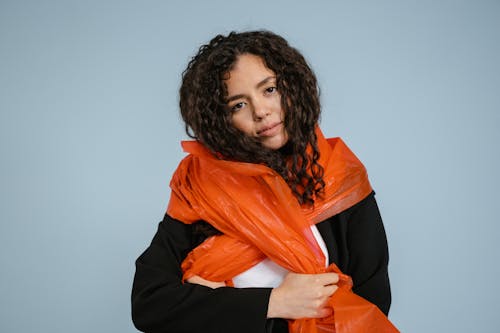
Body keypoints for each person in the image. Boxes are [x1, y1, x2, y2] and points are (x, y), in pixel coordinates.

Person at [131, 30, 398, 333]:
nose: (261, 111)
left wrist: (216, 300)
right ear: (220, 120)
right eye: (238, 105)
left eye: (269, 89)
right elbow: (149, 304)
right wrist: (276, 302)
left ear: (291, 86)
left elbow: (370, 312)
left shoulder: (342, 182)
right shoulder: (200, 191)